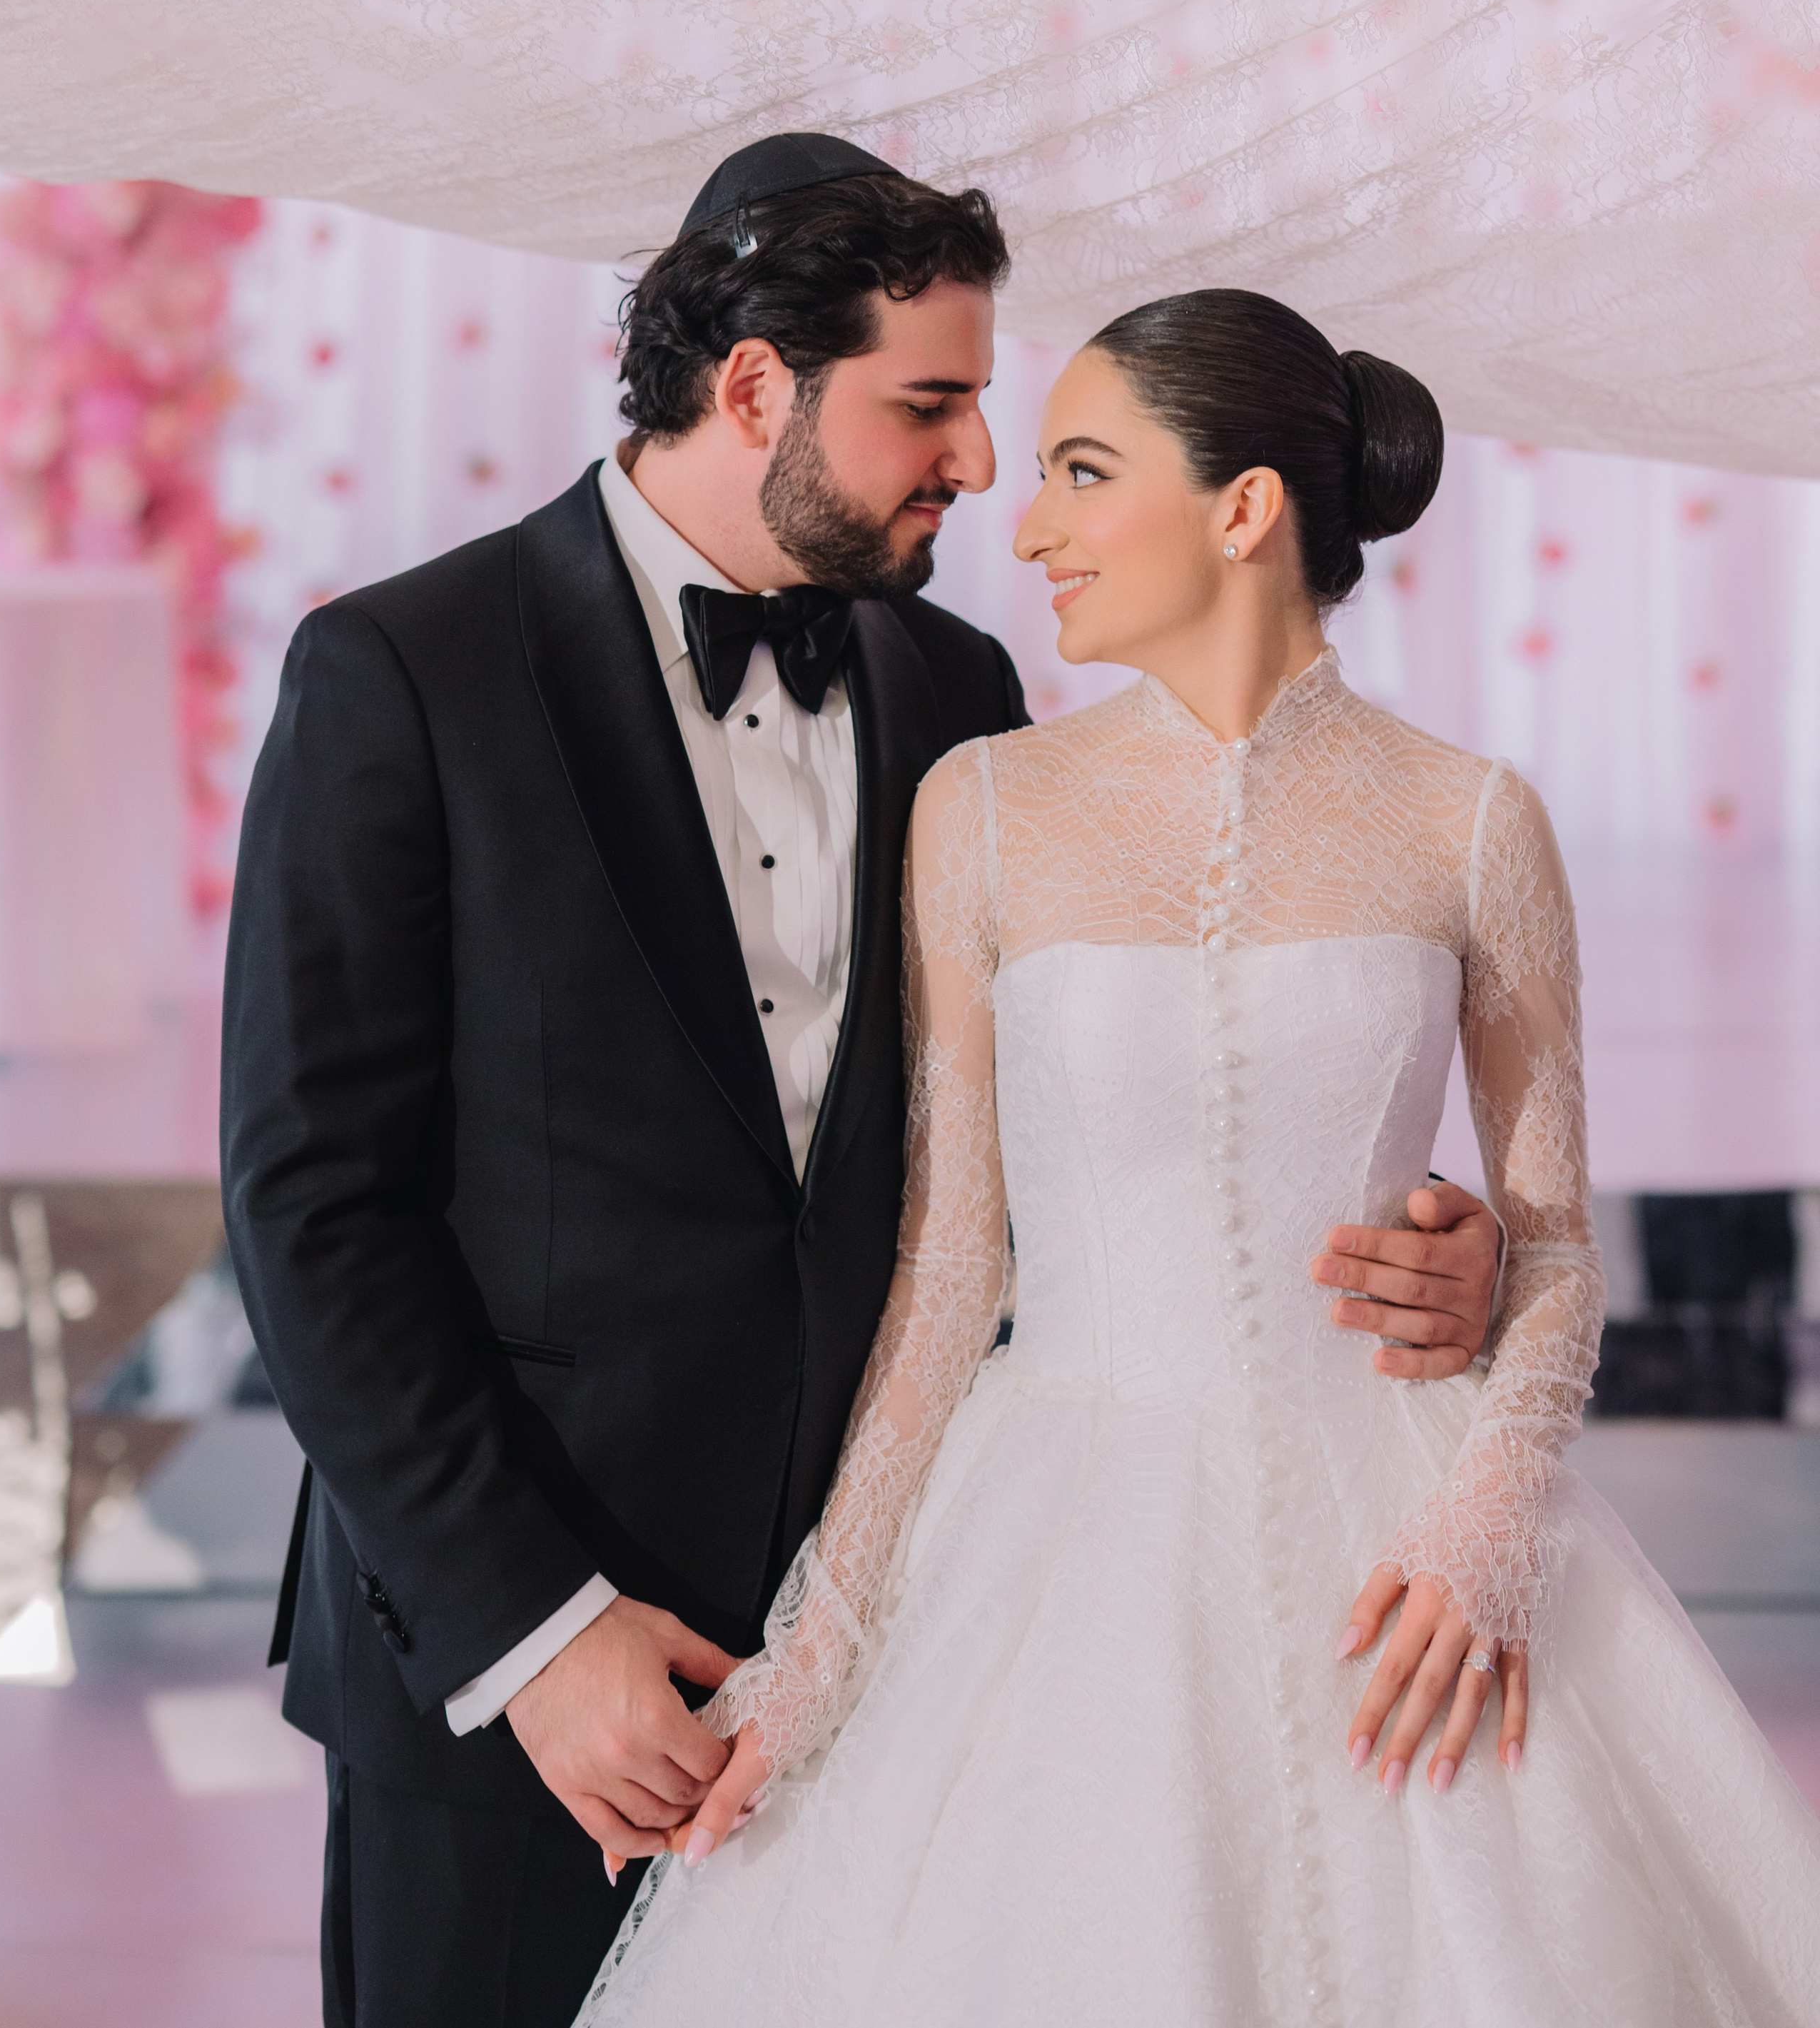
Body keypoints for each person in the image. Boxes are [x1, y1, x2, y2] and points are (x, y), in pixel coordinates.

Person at [221, 154, 1501, 2028]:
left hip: (900, 1652)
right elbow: (312, 1205)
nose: (981, 463)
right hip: (514, 1668)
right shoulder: (403, 670)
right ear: (755, 390)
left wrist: (1440, 1246)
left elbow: (1103, 1112)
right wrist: (542, 1635)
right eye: (932, 403)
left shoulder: (965, 691)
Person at [580, 288, 1820, 2028]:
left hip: (1396, 1530)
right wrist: (821, 1649)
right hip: (1058, 1545)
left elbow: (1547, 1247)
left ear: (1242, 510)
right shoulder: (986, 807)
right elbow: (951, 1270)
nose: (1027, 520)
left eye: (1086, 470)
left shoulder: (1470, 818)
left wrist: (1482, 1531)